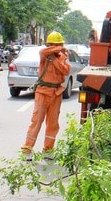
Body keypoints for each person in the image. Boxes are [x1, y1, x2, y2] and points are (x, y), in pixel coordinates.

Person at [21, 31, 71, 160]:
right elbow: (43, 51)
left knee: (53, 123)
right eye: (54, 45)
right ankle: (27, 150)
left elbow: (65, 71)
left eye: (58, 44)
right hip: (42, 92)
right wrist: (60, 48)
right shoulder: (44, 53)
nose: (56, 47)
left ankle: (48, 150)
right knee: (36, 121)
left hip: (56, 93)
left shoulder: (62, 57)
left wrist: (56, 59)